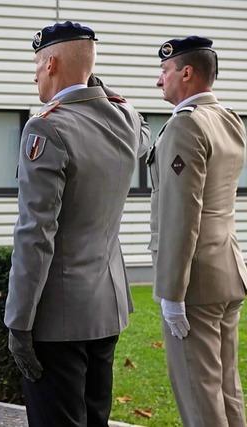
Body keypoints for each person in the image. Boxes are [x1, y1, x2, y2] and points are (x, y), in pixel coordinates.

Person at [4, 21, 149, 426]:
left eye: (35, 65)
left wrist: (18, 322)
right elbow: (144, 133)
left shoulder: (46, 127)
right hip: (107, 307)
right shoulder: (125, 117)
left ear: (50, 64)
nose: (33, 75)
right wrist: (90, 81)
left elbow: (36, 235)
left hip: (57, 318)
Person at [148, 36, 247, 427]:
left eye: (164, 71)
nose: (159, 81)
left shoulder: (185, 126)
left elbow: (180, 215)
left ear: (186, 73)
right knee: (226, 390)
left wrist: (172, 293)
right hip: (227, 270)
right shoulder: (228, 119)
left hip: (194, 283)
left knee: (199, 395)